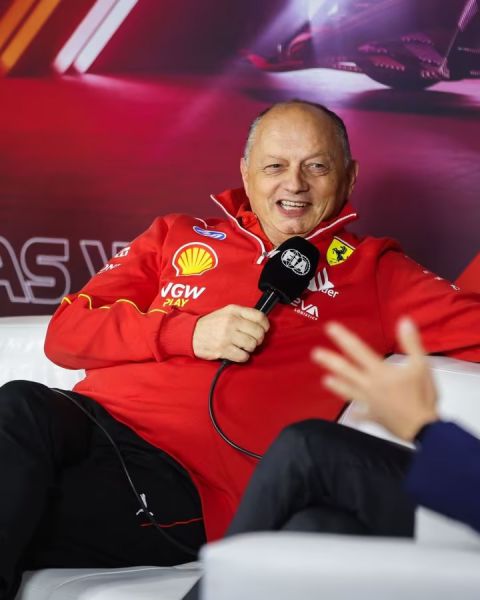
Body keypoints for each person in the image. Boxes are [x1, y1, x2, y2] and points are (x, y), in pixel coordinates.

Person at [0, 99, 479, 599]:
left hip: (179, 486)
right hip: (88, 428)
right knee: (19, 402)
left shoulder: (375, 271)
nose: (294, 184)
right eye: (275, 167)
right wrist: (188, 334)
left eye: (317, 167)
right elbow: (66, 335)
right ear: (246, 173)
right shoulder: (174, 234)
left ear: (350, 177)